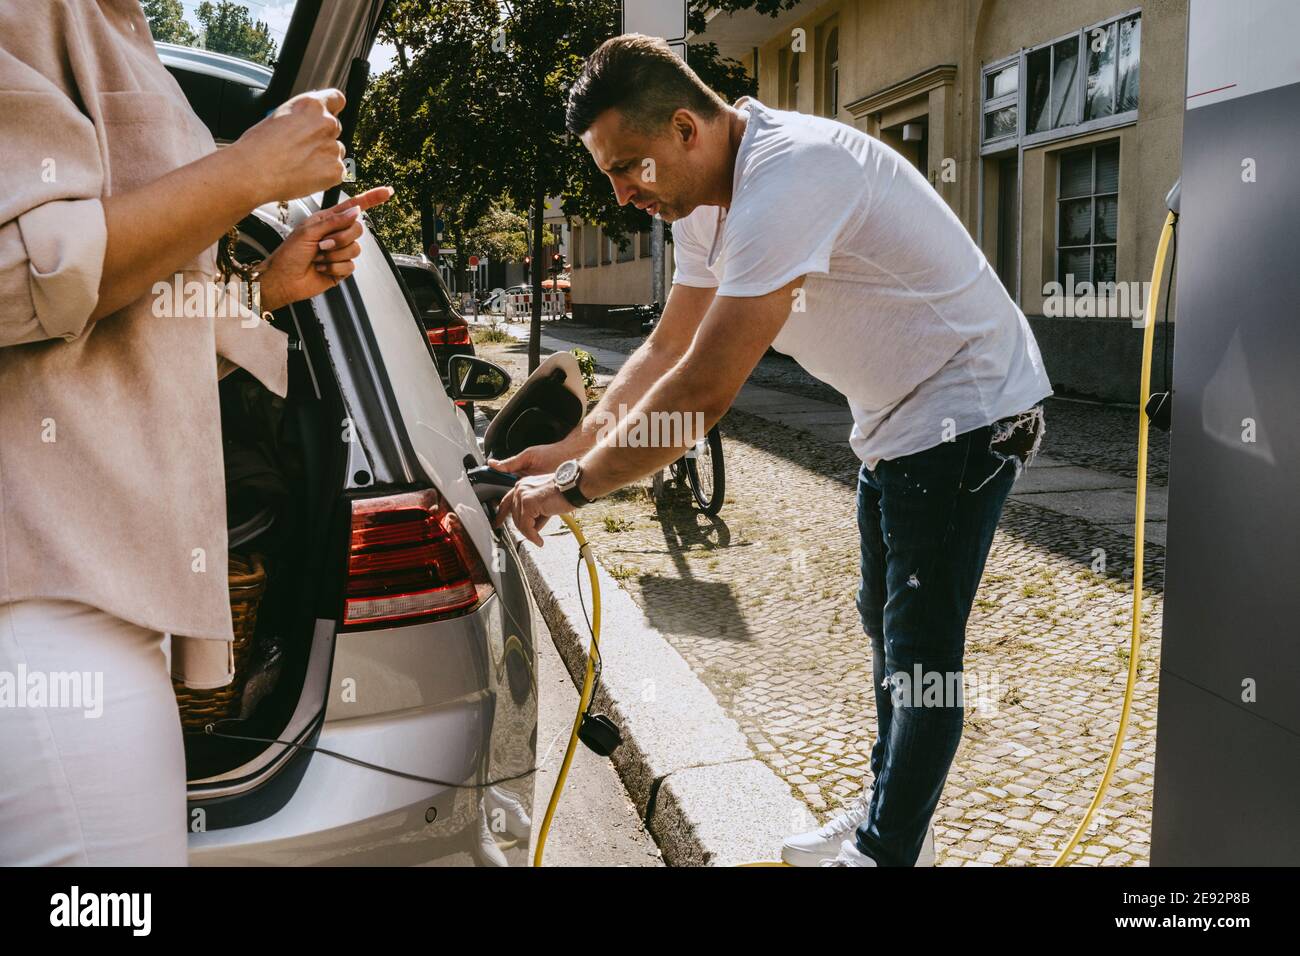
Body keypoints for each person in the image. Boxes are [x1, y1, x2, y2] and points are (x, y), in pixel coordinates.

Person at [492, 34, 1052, 867]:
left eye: (629, 167)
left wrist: (575, 489)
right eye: (609, 174)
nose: (619, 194)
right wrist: (572, 442)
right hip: (894, 417)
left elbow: (702, 392)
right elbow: (663, 351)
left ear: (686, 127)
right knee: (884, 623)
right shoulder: (700, 203)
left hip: (967, 412)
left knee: (921, 650)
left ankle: (888, 850)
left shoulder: (787, 177)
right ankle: (897, 819)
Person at [0, 0, 390, 865]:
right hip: (44, 595)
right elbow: (15, 274)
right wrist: (243, 175)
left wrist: (267, 291)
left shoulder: (117, 25)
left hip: (107, 585)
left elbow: (126, 339)